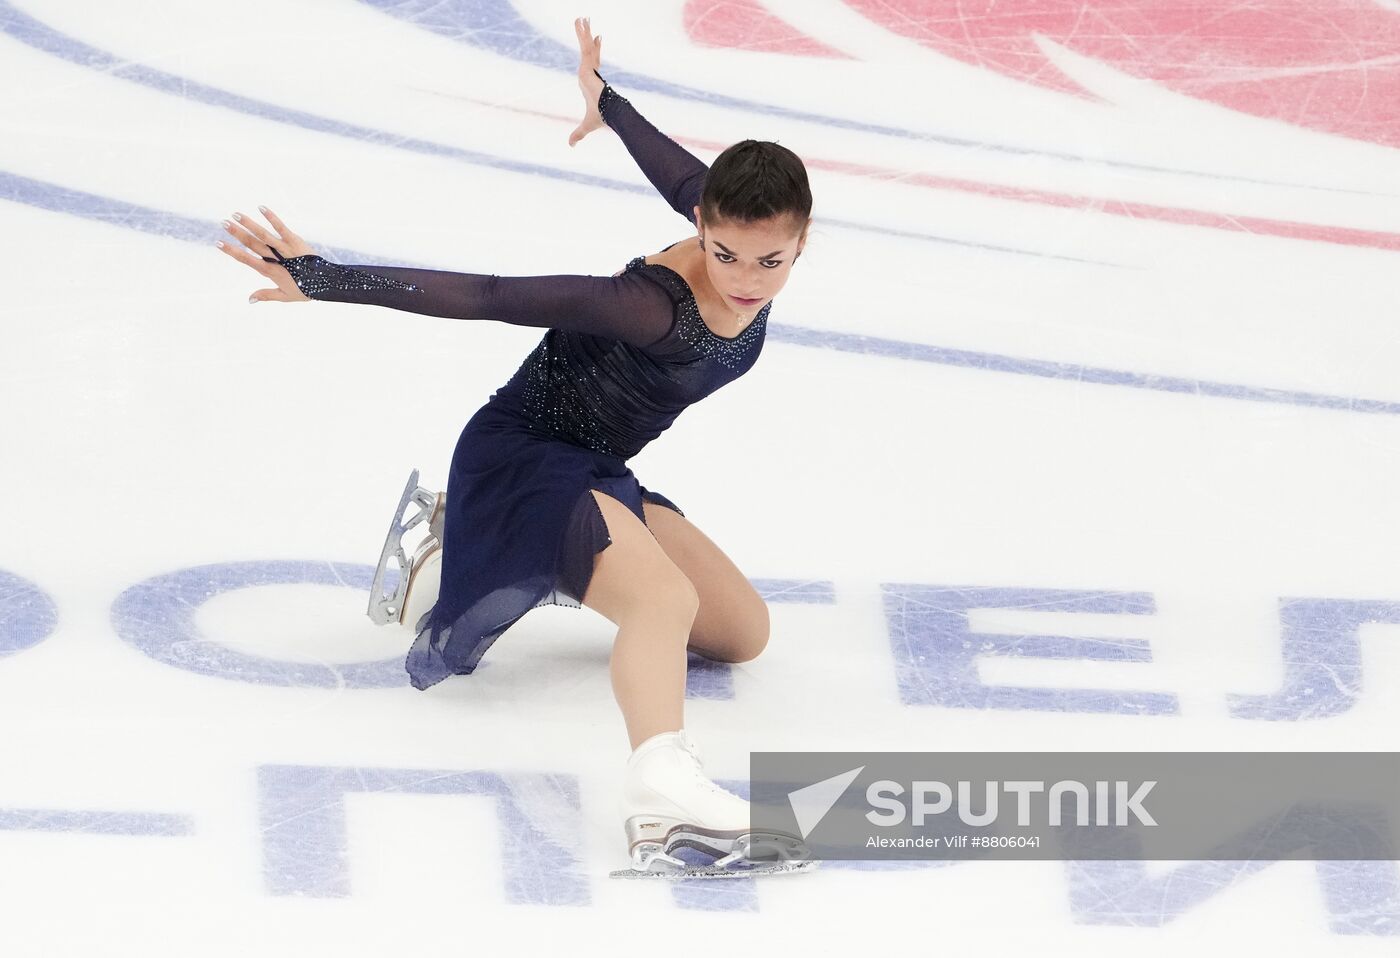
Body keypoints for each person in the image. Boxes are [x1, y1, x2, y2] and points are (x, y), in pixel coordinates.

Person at [215, 17, 813, 878]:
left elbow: (675, 165)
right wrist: (329, 279)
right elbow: (492, 294)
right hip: (523, 457)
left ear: (801, 242)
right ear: (703, 227)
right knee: (663, 605)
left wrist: (605, 102)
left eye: (770, 261)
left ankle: (494, 546)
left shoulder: (732, 217)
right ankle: (663, 786)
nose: (744, 277)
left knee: (742, 632)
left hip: (595, 470)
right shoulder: (648, 306)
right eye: (724, 252)